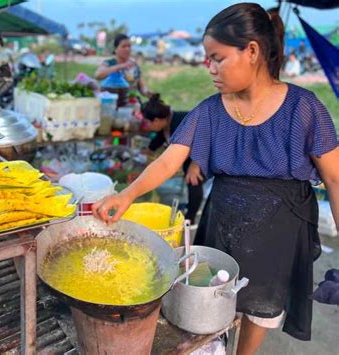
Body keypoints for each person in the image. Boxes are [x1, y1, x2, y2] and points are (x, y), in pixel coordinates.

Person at [93, 3, 338, 355]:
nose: (209, 68)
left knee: (260, 310)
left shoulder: (304, 108)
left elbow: (335, 178)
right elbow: (169, 161)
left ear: (251, 51)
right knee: (211, 295)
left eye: (217, 58)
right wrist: (127, 195)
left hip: (280, 231)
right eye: (207, 59)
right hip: (222, 220)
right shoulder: (210, 110)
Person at [140, 94, 204, 224]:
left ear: (157, 120)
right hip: (190, 154)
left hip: (202, 152)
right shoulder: (167, 122)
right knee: (189, 175)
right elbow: (160, 137)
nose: (145, 125)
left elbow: (203, 139)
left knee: (193, 180)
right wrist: (150, 149)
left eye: (147, 122)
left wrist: (195, 164)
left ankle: (190, 218)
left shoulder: (181, 122)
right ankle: (189, 209)